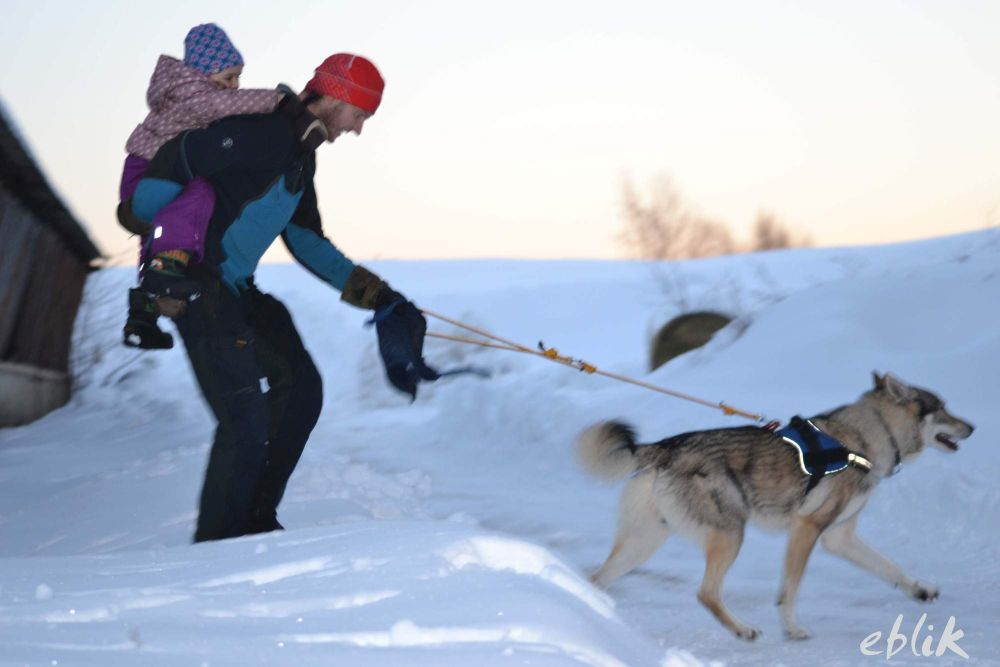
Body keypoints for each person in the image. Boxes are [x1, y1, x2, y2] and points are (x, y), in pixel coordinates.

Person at [128, 53, 434, 542]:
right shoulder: (264, 132)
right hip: (198, 285)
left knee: (301, 389)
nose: (357, 129)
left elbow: (307, 241)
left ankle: (255, 520)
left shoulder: (298, 153)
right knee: (244, 418)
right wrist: (143, 210)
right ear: (337, 97)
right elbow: (182, 155)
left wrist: (380, 297)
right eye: (360, 116)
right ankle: (219, 547)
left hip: (237, 289)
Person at [118, 23, 281, 349]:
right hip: (149, 171)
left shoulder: (194, 93)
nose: (235, 86)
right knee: (201, 194)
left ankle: (142, 318)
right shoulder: (192, 93)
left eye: (238, 77)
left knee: (153, 243)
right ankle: (166, 269)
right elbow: (222, 107)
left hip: (153, 172)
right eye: (229, 77)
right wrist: (276, 101)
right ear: (206, 73)